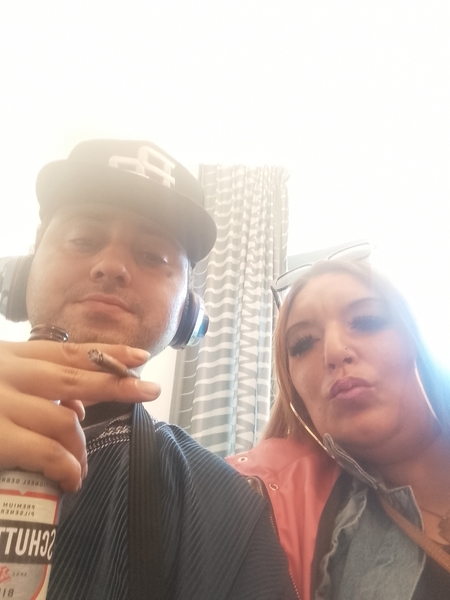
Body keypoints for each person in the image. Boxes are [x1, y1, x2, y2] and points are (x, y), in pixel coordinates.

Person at [0, 139, 296, 599]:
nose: (112, 266)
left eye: (153, 256)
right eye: (83, 240)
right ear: (28, 264)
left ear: (187, 312)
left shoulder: (229, 510)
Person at [228, 259, 450, 600]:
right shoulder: (250, 504)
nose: (333, 351)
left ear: (414, 339)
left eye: (366, 321)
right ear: (296, 395)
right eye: (303, 343)